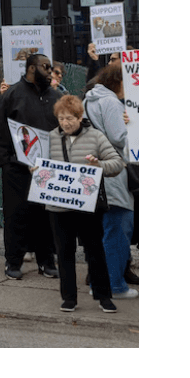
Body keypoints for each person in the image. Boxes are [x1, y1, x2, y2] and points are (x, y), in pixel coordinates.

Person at [43, 92, 124, 313]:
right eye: (61, 118)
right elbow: (41, 166)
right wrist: (37, 171)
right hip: (59, 206)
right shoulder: (50, 138)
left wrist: (99, 166)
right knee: (64, 252)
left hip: (88, 206)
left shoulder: (96, 136)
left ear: (80, 117)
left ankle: (104, 297)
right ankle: (69, 298)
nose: (65, 123)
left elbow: (117, 163)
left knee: (95, 251)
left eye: (69, 118)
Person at [0, 52, 64, 281]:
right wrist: (6, 162)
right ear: (32, 68)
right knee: (17, 216)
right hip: (18, 168)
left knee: (47, 217)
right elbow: (0, 130)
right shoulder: (12, 95)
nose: (50, 71)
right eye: (46, 67)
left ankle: (47, 260)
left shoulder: (54, 96)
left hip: (47, 168)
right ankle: (13, 261)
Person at [83, 60, 135, 294]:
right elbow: (119, 137)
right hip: (114, 171)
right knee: (118, 229)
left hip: (97, 170)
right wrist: (132, 127)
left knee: (103, 232)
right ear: (118, 81)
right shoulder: (111, 102)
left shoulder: (89, 99)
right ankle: (114, 285)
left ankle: (99, 283)